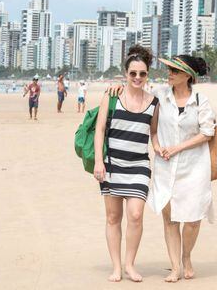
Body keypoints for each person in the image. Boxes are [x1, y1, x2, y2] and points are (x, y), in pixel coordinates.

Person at [108, 55, 216, 282]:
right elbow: (138, 95)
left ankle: (186, 256)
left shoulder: (200, 100)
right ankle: (176, 267)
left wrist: (177, 148)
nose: (169, 73)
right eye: (169, 69)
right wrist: (118, 86)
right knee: (170, 219)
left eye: (174, 71)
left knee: (193, 219)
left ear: (187, 76)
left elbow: (207, 133)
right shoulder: (159, 96)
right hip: (166, 167)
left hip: (195, 166)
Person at [93, 45, 159, 283]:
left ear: (147, 74)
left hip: (139, 166)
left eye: (142, 73)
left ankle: (130, 264)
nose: (137, 78)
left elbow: (153, 133)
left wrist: (160, 147)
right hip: (112, 165)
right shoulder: (112, 96)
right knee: (113, 217)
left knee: (136, 215)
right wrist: (99, 161)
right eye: (133, 73)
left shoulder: (154, 102)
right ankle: (116, 267)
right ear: (126, 74)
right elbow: (100, 130)